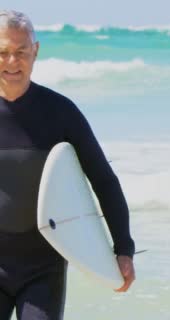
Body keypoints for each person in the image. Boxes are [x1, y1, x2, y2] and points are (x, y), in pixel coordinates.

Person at [0, 10, 136, 320]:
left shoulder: (60, 112)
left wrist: (123, 249)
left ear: (36, 51)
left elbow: (103, 180)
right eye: (3, 52)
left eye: (21, 52)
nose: (11, 62)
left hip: (43, 266)